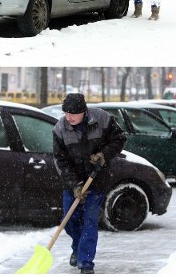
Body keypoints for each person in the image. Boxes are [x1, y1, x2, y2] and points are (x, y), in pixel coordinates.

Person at [53, 93, 127, 274]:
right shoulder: (60, 129)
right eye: (66, 113)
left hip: (97, 179)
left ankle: (85, 262)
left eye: (73, 114)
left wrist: (104, 155)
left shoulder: (101, 119)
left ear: (83, 112)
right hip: (73, 182)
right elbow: (60, 161)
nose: (69, 117)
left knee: (89, 222)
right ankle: (77, 248)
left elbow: (120, 138)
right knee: (69, 220)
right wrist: (74, 185)